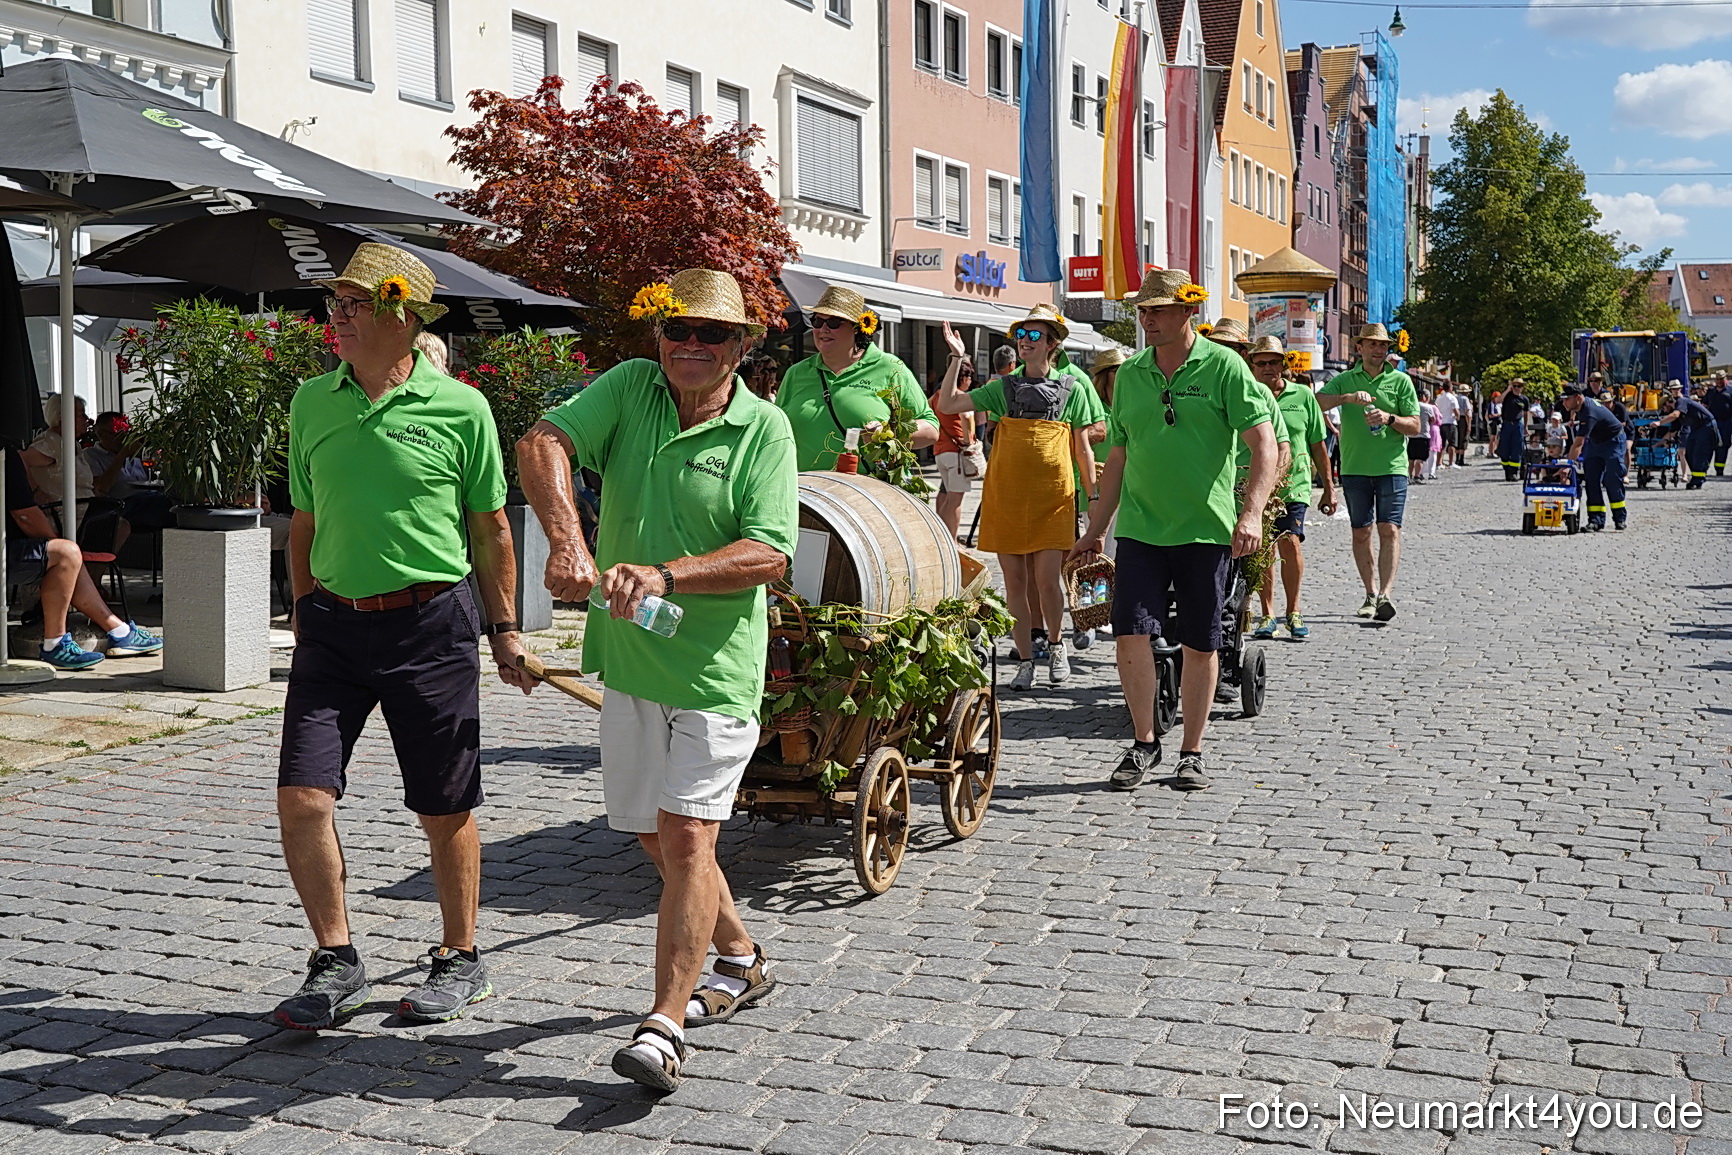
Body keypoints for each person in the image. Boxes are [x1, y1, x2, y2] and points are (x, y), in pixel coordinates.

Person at [516, 268, 795, 1094]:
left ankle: (664, 1025)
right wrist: (567, 542)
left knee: (686, 840)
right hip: (630, 659)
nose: (693, 347)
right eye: (680, 332)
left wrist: (668, 575)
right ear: (660, 339)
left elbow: (771, 553)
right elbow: (542, 442)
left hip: (715, 670)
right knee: (653, 834)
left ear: (741, 348)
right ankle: (742, 956)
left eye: (713, 335)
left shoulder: (763, 428)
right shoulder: (634, 387)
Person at [273, 243, 533, 1033]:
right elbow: (305, 522)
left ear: (403, 315)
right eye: (334, 304)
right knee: (302, 796)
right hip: (333, 628)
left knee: (443, 804)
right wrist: (304, 605)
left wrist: (505, 630)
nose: (337, 317)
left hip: (431, 625)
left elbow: (490, 531)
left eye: (354, 303)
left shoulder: (462, 407)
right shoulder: (313, 400)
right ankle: (336, 959)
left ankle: (460, 955)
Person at [1069, 269, 1277, 793]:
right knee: (1129, 633)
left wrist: (1251, 514)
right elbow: (1117, 456)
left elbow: (1264, 445)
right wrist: (1097, 528)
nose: (1147, 319)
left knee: (1201, 643)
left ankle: (1192, 749)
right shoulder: (1133, 373)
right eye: (1142, 311)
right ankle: (1145, 741)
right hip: (1141, 529)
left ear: (1189, 312)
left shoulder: (1224, 367)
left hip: (1205, 532)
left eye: (1158, 310)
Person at [936, 309, 1100, 689]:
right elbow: (948, 404)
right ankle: (1025, 660)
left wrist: (1092, 497)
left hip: (1053, 497)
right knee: (1013, 583)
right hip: (1007, 495)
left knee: (1046, 581)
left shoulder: (1072, 387)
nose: (1024, 340)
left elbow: (1082, 449)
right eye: (1021, 333)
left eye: (1034, 335)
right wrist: (957, 357)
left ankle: (1056, 645)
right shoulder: (1002, 387)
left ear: (1052, 343)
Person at [5, 447, 161, 670]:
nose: (86, 419)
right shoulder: (10, 452)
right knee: (66, 554)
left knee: (69, 554)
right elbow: (24, 515)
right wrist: (55, 543)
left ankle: (119, 631)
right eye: (79, 413)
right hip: (19, 541)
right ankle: (56, 644)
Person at [1317, 324, 1421, 622]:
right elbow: (1318, 401)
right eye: (1372, 345)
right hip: (1354, 468)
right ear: (1359, 347)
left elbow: (1415, 426)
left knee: (1389, 529)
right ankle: (1370, 593)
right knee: (1361, 532)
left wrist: (1389, 418)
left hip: (1392, 468)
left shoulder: (1401, 382)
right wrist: (1347, 398)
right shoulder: (1345, 379)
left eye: (1383, 346)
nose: (1378, 350)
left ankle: (1386, 594)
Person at [776, 286, 937, 470]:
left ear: (856, 328)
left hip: (867, 492)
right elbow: (778, 433)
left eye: (835, 322)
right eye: (818, 321)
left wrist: (888, 434)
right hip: (806, 492)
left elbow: (930, 429)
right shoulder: (796, 373)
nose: (824, 329)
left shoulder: (890, 368)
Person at [1244, 338, 1336, 640]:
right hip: (1252, 483)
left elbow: (1317, 444)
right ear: (1252, 365)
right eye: (1262, 363)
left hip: (1292, 485)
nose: (1268, 368)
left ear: (1284, 365)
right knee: (1263, 549)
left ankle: (1294, 610)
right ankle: (1267, 613)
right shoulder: (1245, 394)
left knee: (1291, 542)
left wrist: (1328, 487)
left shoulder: (1303, 396)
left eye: (1274, 362)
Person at [1560, 384, 1628, 531]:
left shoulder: (1590, 412)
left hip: (1613, 441)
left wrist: (1567, 466)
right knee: (1591, 479)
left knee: (1612, 479)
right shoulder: (1581, 405)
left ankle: (1619, 518)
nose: (1564, 403)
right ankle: (1596, 520)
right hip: (1596, 442)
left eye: (1567, 399)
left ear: (1578, 398)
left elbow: (1578, 444)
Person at [929, 355, 980, 543]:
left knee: (946, 496)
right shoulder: (959, 396)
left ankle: (940, 535)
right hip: (956, 452)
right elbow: (966, 417)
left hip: (940, 451)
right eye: (969, 378)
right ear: (964, 378)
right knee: (955, 500)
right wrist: (969, 442)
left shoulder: (936, 396)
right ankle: (949, 540)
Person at [1654, 388, 1720, 489]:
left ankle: (1698, 480)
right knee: (1689, 452)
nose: (1664, 411)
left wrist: (1660, 422)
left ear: (1667, 403)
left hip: (1706, 426)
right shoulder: (1679, 414)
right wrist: (1658, 443)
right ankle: (1696, 477)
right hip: (1697, 428)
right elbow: (1672, 431)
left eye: (1664, 408)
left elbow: (1675, 414)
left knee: (1699, 453)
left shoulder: (1681, 402)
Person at [1495, 379, 1528, 481]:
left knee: (1516, 449)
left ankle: (1513, 472)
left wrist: (1525, 427)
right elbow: (1498, 400)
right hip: (1507, 424)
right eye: (1514, 386)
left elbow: (1526, 413)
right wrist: (1507, 389)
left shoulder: (1524, 399)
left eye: (1519, 386)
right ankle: (1507, 470)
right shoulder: (1508, 396)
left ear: (1522, 387)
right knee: (1504, 449)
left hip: (1518, 425)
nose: (1516, 388)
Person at [1701, 372, 1732, 476]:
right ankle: (1704, 468)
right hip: (1711, 422)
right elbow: (1704, 405)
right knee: (1708, 445)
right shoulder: (1711, 391)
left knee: (1723, 445)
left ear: (1725, 379)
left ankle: (1719, 469)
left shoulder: (1730, 391)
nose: (1719, 381)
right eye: (1717, 379)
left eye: (1721, 379)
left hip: (1726, 423)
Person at [1407, 389, 1434, 483]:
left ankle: (1409, 476)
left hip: (1411, 434)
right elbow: (1433, 419)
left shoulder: (1410, 405)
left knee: (1411, 458)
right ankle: (1417, 476)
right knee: (1420, 458)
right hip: (1423, 435)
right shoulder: (1428, 407)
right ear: (1424, 397)